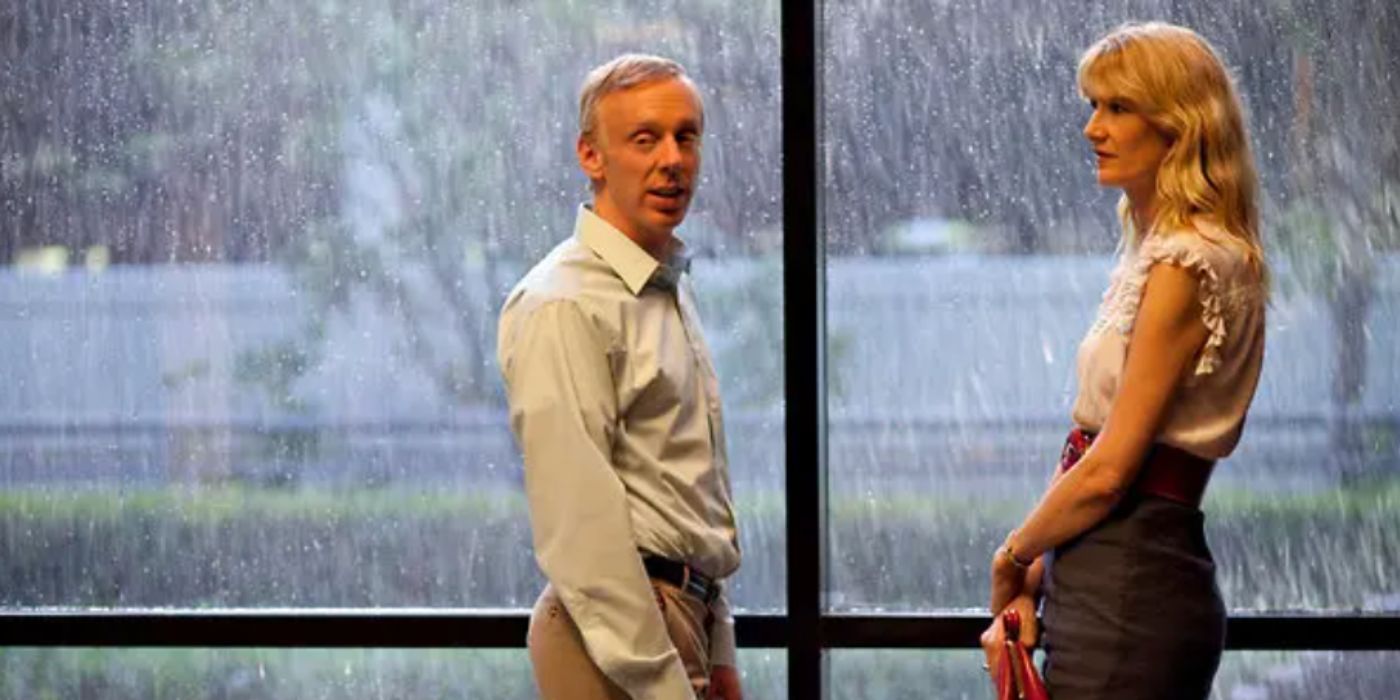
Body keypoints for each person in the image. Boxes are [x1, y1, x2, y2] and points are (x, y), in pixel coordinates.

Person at [981, 22, 1269, 699]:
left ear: (1179, 124)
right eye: (1093, 106)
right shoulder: (1172, 251)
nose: (1092, 129)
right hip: (1116, 575)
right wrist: (1039, 572)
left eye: (1118, 107)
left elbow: (1111, 469)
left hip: (1130, 585)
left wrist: (1015, 553)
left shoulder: (1184, 261)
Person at [497, 53, 743, 700]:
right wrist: (666, 684)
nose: (672, 159)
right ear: (591, 156)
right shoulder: (564, 303)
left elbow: (685, 489)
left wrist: (719, 651)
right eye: (644, 138)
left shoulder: (661, 285)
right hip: (619, 636)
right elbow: (581, 528)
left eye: (686, 136)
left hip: (678, 618)